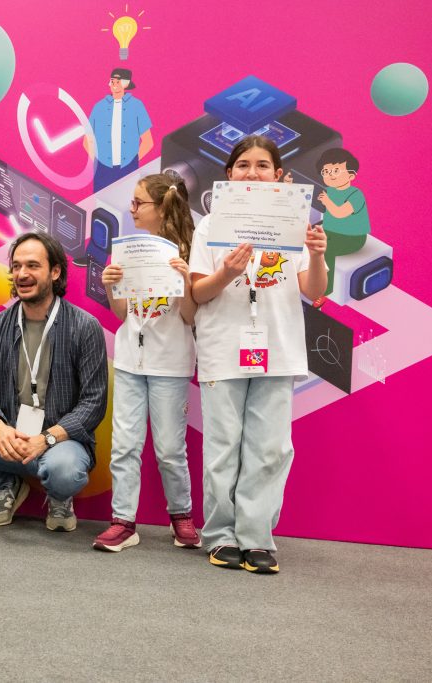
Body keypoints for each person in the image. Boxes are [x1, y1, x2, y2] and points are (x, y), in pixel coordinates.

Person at [190, 135, 327, 573]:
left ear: (279, 175)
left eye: (263, 165)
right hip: (223, 346)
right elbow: (198, 292)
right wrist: (226, 272)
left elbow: (314, 290)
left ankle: (256, 538)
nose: (253, 172)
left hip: (278, 348)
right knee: (222, 447)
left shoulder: (294, 223)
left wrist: (317, 256)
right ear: (228, 175)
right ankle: (220, 535)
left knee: (270, 449)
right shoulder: (209, 226)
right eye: (243, 165)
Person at [0, 232, 108, 530]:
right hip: (8, 438)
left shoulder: (84, 327)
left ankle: (59, 496)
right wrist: (0, 431)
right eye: (16, 266)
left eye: (33, 266)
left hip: (60, 441)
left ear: (55, 272)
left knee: (65, 471)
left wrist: (46, 438)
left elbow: (93, 403)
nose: (22, 274)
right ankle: (5, 485)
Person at [93, 173, 201, 552]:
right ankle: (123, 521)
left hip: (170, 364)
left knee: (170, 449)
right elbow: (122, 313)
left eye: (139, 203)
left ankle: (181, 515)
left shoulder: (188, 252)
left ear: (162, 207)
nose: (132, 209)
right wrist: (111, 285)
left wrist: (185, 282)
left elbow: (190, 317)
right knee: (124, 445)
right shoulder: (129, 249)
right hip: (129, 362)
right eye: (132, 202)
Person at [86, 67, 153, 193]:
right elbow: (87, 140)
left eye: (118, 82)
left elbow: (148, 141)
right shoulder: (99, 107)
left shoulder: (137, 106)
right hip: (102, 168)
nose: (115, 85)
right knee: (100, 200)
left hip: (128, 168)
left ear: (126, 84)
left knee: (126, 199)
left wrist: (132, 162)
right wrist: (97, 161)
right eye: (112, 81)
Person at [316, 148, 370, 299]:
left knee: (326, 250)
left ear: (351, 175)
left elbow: (340, 213)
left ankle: (324, 290)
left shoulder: (356, 195)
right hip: (329, 231)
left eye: (336, 171)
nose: (330, 175)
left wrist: (327, 201)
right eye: (326, 172)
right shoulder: (328, 191)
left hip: (352, 237)